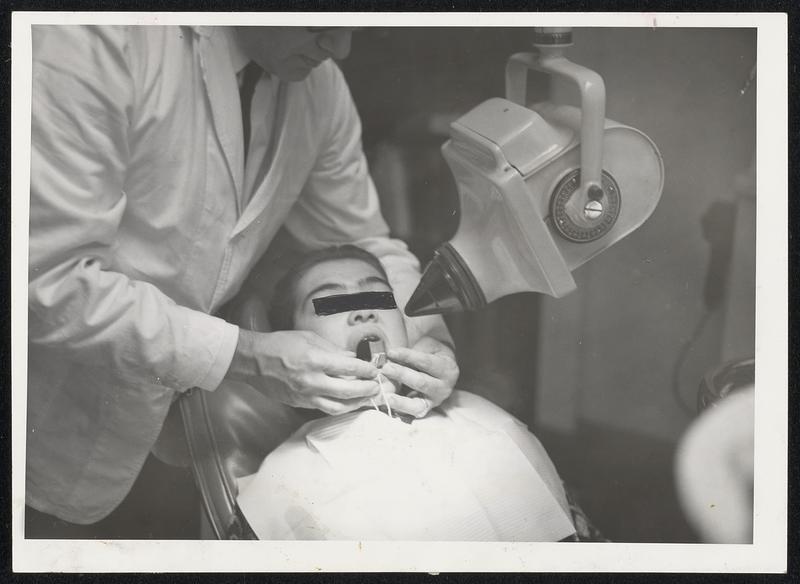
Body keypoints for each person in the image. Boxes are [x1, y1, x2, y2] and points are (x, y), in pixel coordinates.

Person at [27, 25, 456, 536]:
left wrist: (433, 340)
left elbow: (367, 245)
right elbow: (47, 279)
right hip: (49, 418)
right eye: (324, 23)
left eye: (355, 26)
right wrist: (246, 356)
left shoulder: (320, 86)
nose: (338, 50)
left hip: (178, 433)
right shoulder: (98, 39)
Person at [235, 245, 575, 541]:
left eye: (379, 297)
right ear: (292, 344)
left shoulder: (491, 424)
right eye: (330, 303)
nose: (364, 311)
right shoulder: (282, 487)